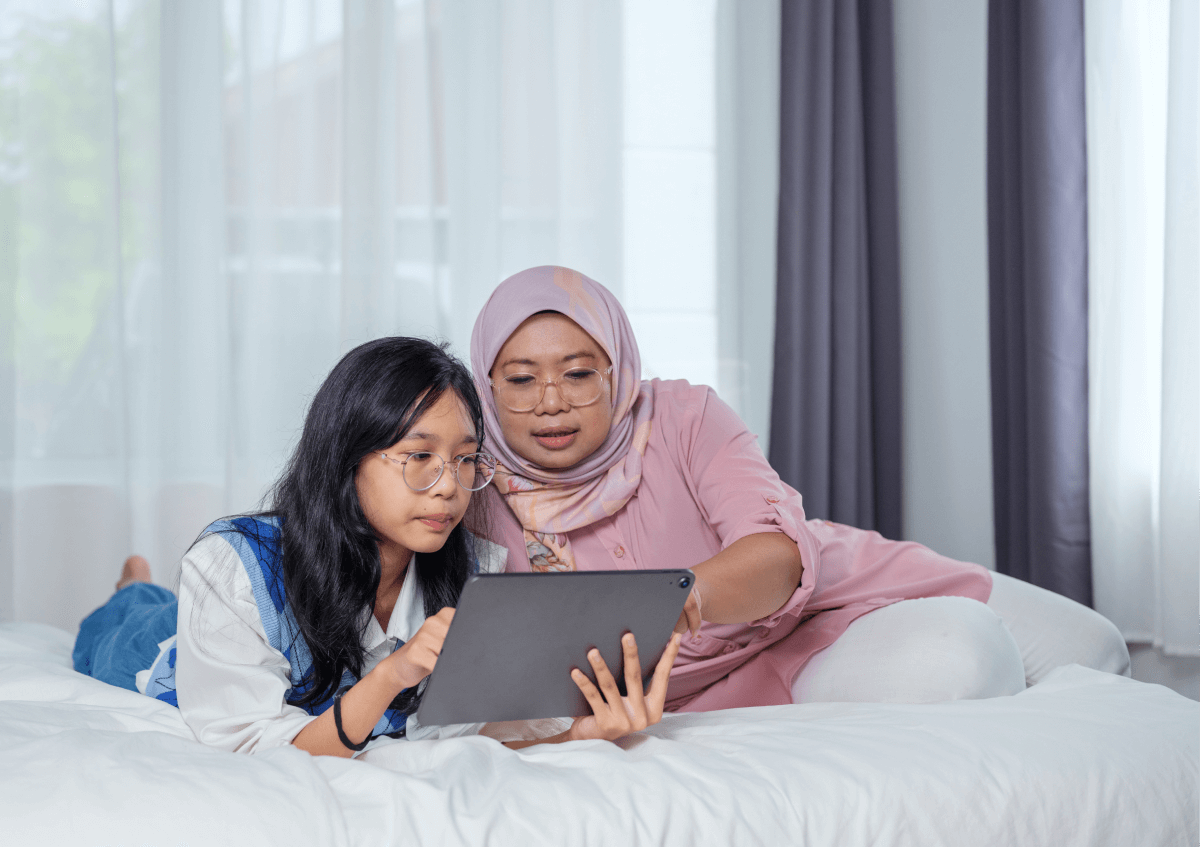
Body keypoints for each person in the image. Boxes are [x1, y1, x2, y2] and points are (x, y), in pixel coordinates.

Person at [467, 266, 1130, 711]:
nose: (551, 402)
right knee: (965, 658)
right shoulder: (468, 492)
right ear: (488, 388)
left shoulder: (681, 415)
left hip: (838, 582)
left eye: (579, 373)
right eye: (522, 380)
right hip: (737, 674)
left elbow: (776, 555)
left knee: (1097, 647)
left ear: (618, 370)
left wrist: (664, 601)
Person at [72, 336, 680, 754]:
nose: (448, 487)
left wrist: (579, 735)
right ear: (346, 456)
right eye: (419, 457)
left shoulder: (478, 574)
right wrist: (391, 675)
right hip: (167, 661)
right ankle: (132, 586)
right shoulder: (230, 565)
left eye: (466, 459)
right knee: (126, 629)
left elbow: (477, 738)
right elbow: (255, 747)